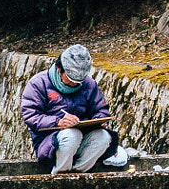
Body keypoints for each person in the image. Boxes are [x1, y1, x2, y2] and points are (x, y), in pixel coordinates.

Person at [20, 44, 113, 174]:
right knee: (72, 135)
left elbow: (100, 108)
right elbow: (31, 116)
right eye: (70, 79)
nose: (74, 84)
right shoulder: (38, 83)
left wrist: (99, 119)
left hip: (83, 138)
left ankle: (78, 172)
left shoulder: (89, 84)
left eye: (78, 81)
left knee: (103, 137)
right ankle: (60, 174)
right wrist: (58, 122)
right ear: (59, 68)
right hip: (51, 143)